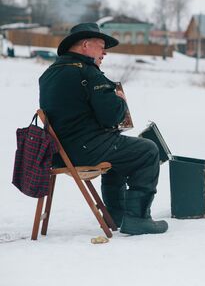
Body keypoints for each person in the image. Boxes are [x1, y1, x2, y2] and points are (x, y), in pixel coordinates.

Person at [39, 22, 168, 235]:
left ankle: (116, 215)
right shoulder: (88, 73)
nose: (105, 52)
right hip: (85, 150)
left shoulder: (49, 74)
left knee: (119, 151)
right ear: (86, 46)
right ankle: (137, 217)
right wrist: (120, 100)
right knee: (148, 150)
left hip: (59, 153)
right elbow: (111, 117)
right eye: (101, 46)